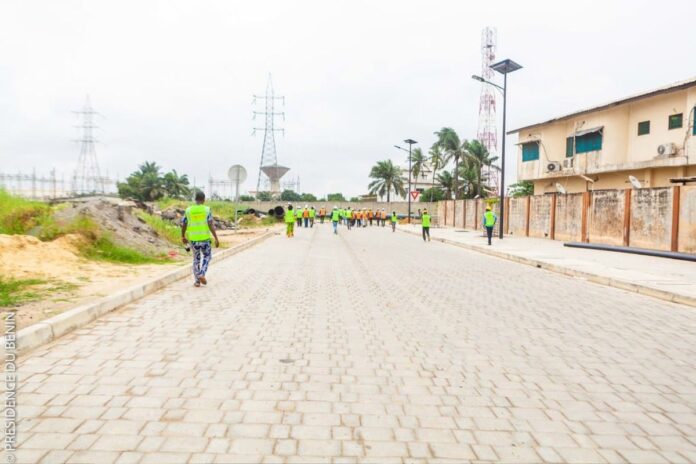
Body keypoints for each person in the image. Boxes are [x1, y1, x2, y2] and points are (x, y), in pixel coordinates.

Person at [181, 191, 220, 287]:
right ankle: (202, 273)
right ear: (204, 199)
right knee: (207, 256)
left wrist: (183, 236)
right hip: (205, 239)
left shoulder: (188, 210)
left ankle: (197, 281)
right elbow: (210, 224)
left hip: (193, 240)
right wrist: (216, 238)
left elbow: (184, 224)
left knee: (196, 259)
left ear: (195, 199)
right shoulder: (207, 210)